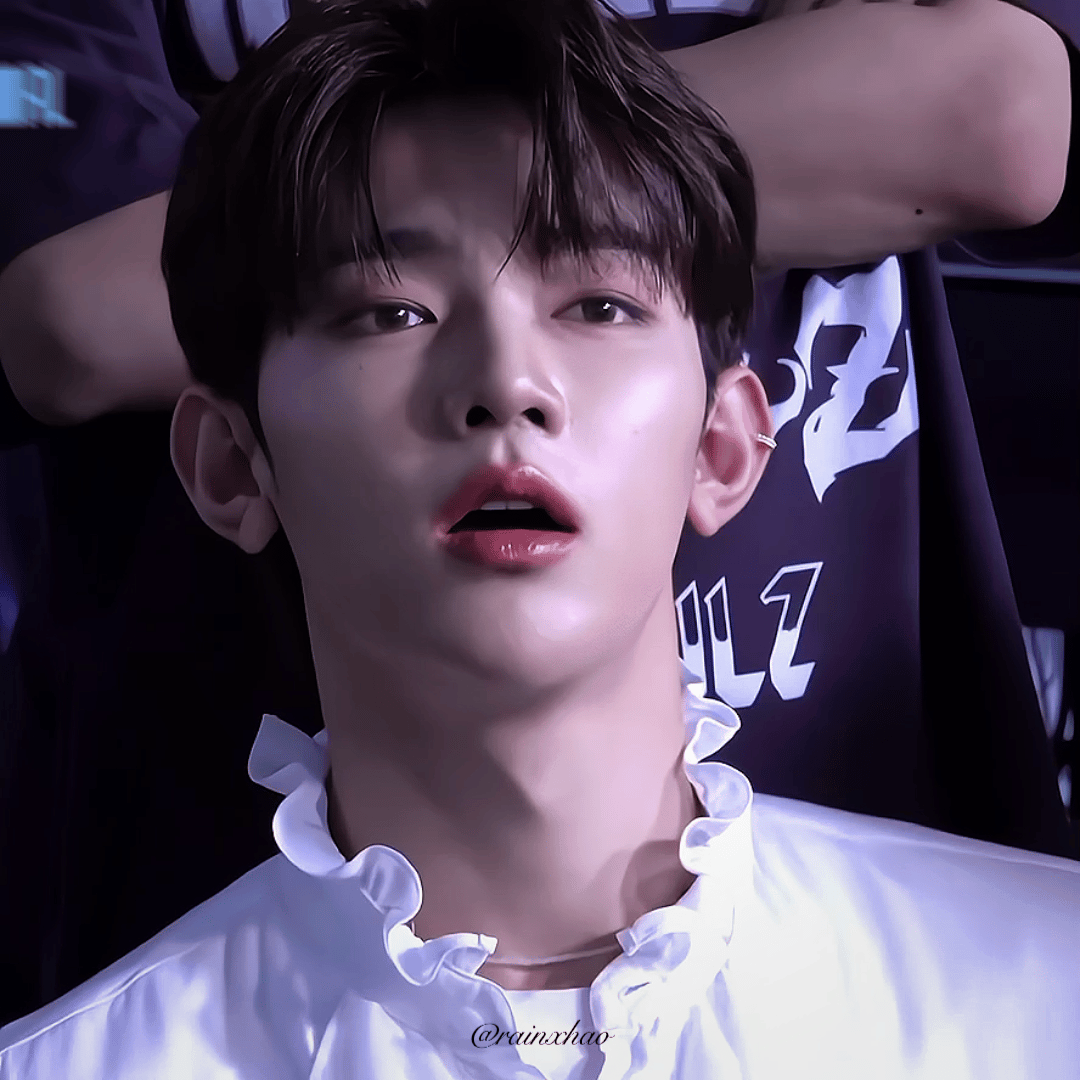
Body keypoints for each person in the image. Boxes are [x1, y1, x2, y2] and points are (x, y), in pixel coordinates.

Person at [3, 2, 1080, 1076]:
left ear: (724, 445)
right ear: (232, 465)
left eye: (599, 304)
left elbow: (1003, 105)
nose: (507, 382)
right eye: (390, 311)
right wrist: (595, 156)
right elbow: (65, 307)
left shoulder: (1044, 992)